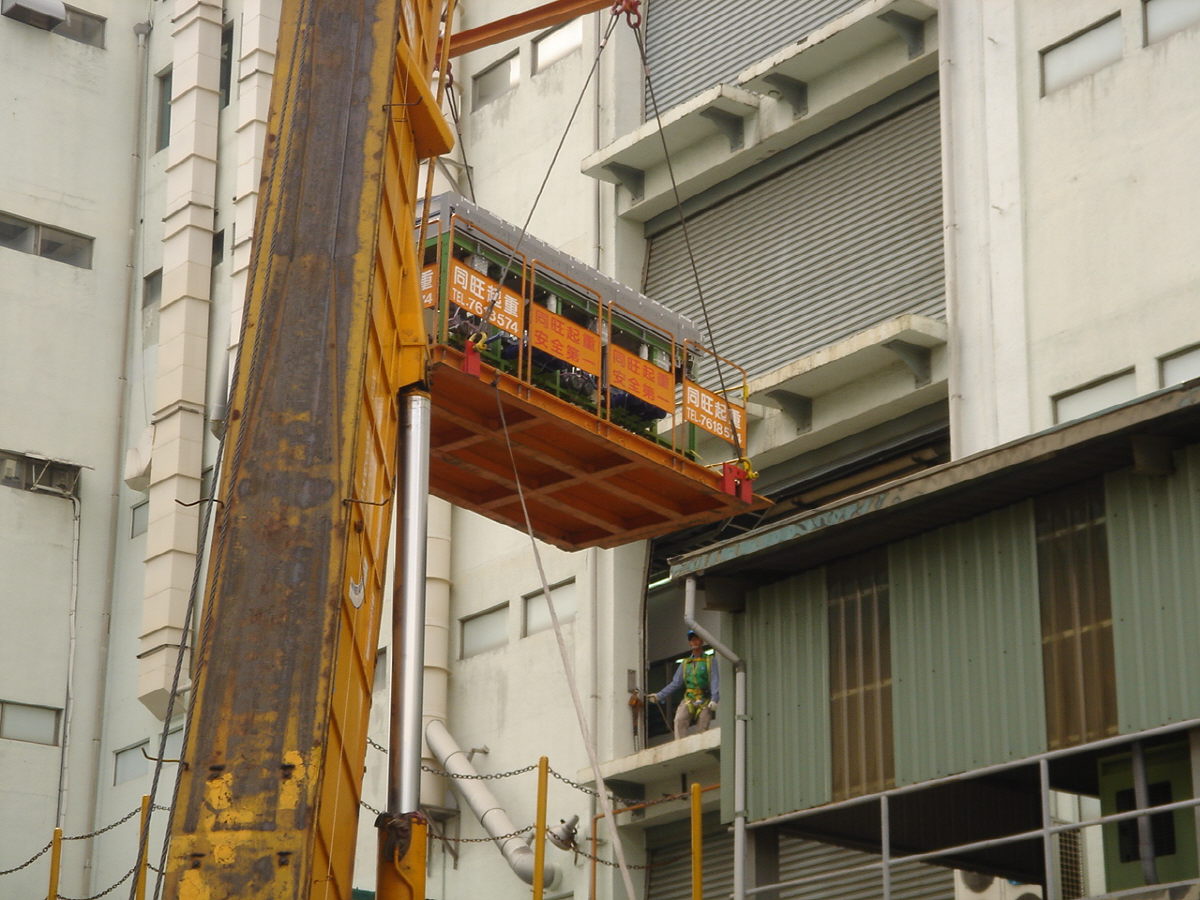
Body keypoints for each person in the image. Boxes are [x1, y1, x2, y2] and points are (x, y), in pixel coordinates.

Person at [648, 630, 719, 740]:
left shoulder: (709, 660)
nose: (694, 642)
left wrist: (714, 699)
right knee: (679, 720)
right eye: (692, 640)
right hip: (689, 698)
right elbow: (676, 683)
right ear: (689, 643)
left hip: (704, 698)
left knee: (703, 727)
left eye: (697, 639)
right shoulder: (685, 663)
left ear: (702, 641)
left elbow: (714, 680)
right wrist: (659, 696)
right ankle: (679, 745)